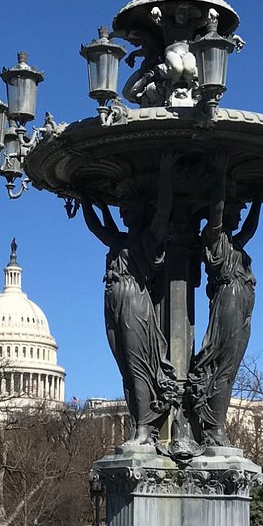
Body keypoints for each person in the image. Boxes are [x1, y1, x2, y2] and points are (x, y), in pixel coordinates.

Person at [80, 157, 179, 447]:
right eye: (122, 210)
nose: (123, 214)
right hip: (112, 302)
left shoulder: (149, 241)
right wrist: (85, 196)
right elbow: (96, 227)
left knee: (137, 365)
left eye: (129, 209)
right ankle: (141, 424)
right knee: (124, 364)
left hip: (134, 302)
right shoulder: (119, 242)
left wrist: (165, 174)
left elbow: (163, 214)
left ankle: (145, 429)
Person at [187, 160, 262, 446]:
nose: (240, 214)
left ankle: (214, 424)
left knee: (230, 366)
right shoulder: (213, 238)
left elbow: (251, 228)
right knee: (222, 363)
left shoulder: (235, 244)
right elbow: (216, 212)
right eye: (237, 209)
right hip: (228, 303)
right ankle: (210, 425)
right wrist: (218, 174)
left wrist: (259, 200)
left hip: (242, 305)